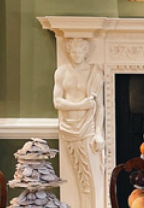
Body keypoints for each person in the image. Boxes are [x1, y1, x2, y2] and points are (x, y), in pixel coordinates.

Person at [53, 38, 104, 208]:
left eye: (79, 52)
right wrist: (79, 105)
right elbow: (57, 102)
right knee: (78, 173)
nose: (75, 55)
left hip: (87, 127)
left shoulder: (94, 73)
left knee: (88, 172)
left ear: (86, 53)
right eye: (72, 52)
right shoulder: (61, 72)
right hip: (68, 127)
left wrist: (98, 133)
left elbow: (99, 106)